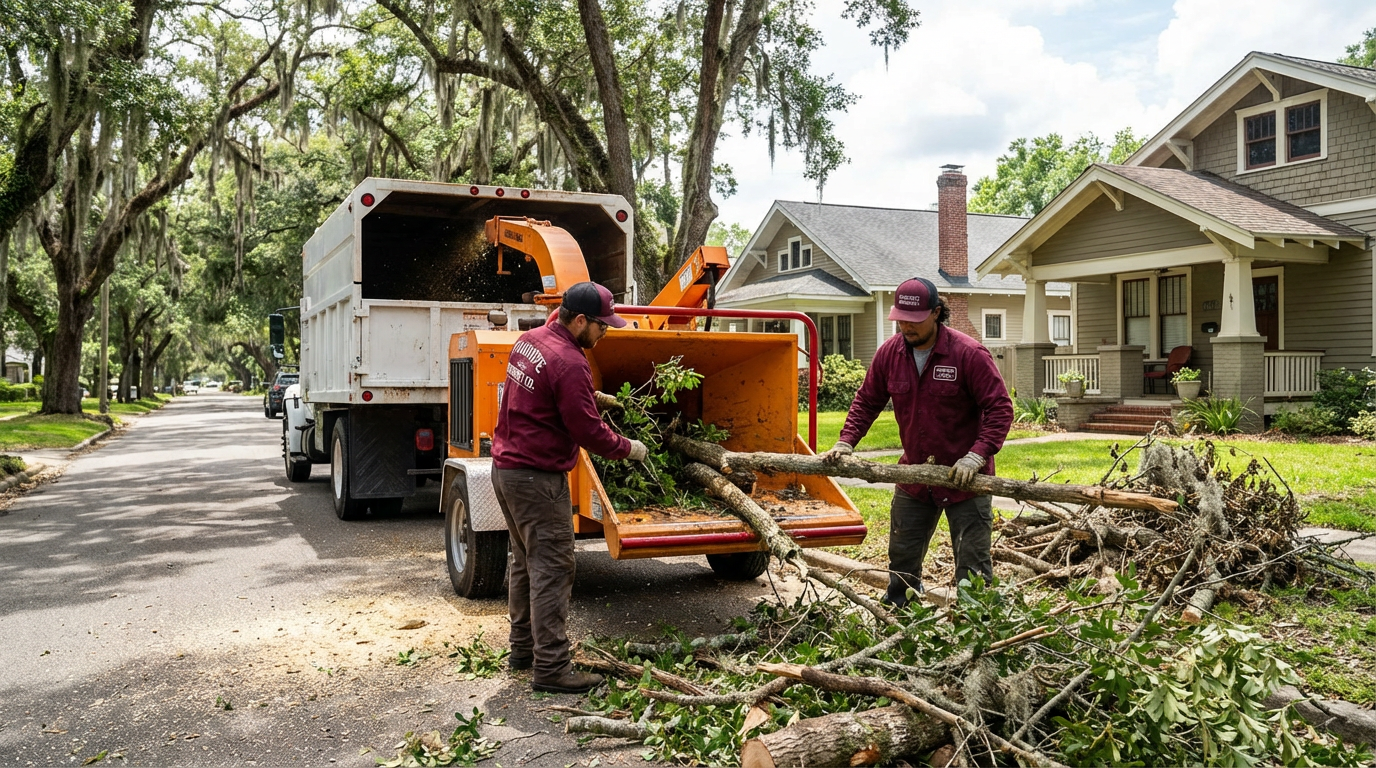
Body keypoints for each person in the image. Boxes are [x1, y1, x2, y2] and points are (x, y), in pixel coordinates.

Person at [491, 281, 649, 694]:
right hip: (537, 479)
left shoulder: (530, 340)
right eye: (602, 326)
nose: (605, 333)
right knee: (553, 568)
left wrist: (593, 395)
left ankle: (523, 649)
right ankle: (552, 667)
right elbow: (588, 433)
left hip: (506, 470)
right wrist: (629, 448)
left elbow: (549, 391)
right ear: (580, 320)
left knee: (526, 562)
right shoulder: (571, 361)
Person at [822, 277, 1013, 606]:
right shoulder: (889, 354)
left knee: (974, 574)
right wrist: (846, 442)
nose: (905, 328)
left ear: (936, 313)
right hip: (914, 479)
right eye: (900, 320)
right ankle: (900, 622)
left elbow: (1000, 408)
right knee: (902, 565)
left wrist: (976, 456)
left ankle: (978, 637)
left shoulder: (968, 354)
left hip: (967, 481)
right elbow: (867, 401)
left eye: (913, 321)